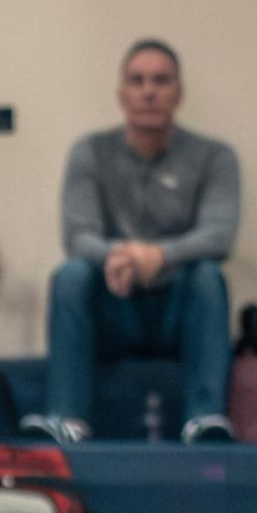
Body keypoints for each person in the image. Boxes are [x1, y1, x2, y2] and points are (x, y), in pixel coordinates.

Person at [24, 40, 239, 447]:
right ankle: (67, 418)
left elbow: (219, 234)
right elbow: (78, 235)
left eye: (160, 81)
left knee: (209, 276)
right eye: (137, 81)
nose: (148, 91)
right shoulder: (90, 152)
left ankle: (205, 417)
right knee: (71, 275)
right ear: (121, 93)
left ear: (179, 92)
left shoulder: (215, 157)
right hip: (114, 304)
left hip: (179, 311)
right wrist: (121, 257)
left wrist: (158, 256)